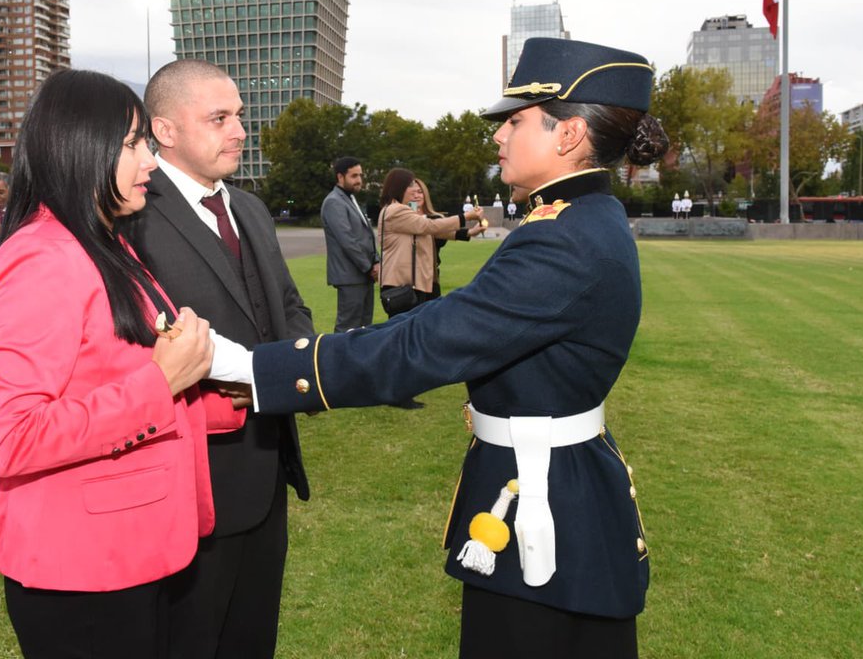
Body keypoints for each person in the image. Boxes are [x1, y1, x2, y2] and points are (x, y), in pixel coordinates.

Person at [240, 38, 670, 658]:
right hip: (544, 488)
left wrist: (260, 369)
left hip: (545, 510)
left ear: (568, 134)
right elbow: (447, 319)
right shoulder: (575, 220)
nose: (498, 137)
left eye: (515, 121)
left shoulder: (565, 238)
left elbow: (428, 343)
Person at [0, 69, 223, 657]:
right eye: (136, 144)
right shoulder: (41, 258)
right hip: (80, 571)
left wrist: (237, 396)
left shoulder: (103, 243)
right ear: (81, 145)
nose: (152, 161)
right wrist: (160, 381)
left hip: (131, 551)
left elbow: (114, 373)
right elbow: (15, 438)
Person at [126, 58, 313, 659]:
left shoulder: (250, 208)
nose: (239, 131)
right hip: (189, 475)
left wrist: (288, 374)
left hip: (267, 461)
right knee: (190, 637)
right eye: (220, 118)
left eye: (239, 116)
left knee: (253, 634)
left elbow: (288, 307)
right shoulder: (131, 217)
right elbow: (133, 340)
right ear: (166, 130)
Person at [378, 169, 479, 409]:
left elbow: (433, 229)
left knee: (407, 337)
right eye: (410, 186)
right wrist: (465, 217)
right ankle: (395, 392)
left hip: (410, 283)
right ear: (398, 188)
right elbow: (429, 226)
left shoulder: (402, 211)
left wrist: (466, 231)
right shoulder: (395, 211)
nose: (416, 190)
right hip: (401, 285)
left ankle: (403, 389)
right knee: (401, 340)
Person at [320, 156, 379, 332]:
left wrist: (376, 261)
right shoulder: (333, 202)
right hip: (350, 277)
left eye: (360, 175)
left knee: (364, 327)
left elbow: (366, 236)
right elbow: (348, 241)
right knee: (347, 328)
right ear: (340, 177)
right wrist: (369, 267)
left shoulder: (350, 198)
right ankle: (335, 360)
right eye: (354, 176)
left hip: (363, 275)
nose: (359, 180)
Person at [413, 177, 486, 298]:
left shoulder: (435, 218)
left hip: (431, 277)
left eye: (420, 192)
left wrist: (471, 232)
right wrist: (466, 217)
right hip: (411, 279)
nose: (416, 196)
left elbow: (441, 231)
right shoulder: (406, 219)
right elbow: (429, 227)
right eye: (413, 192)